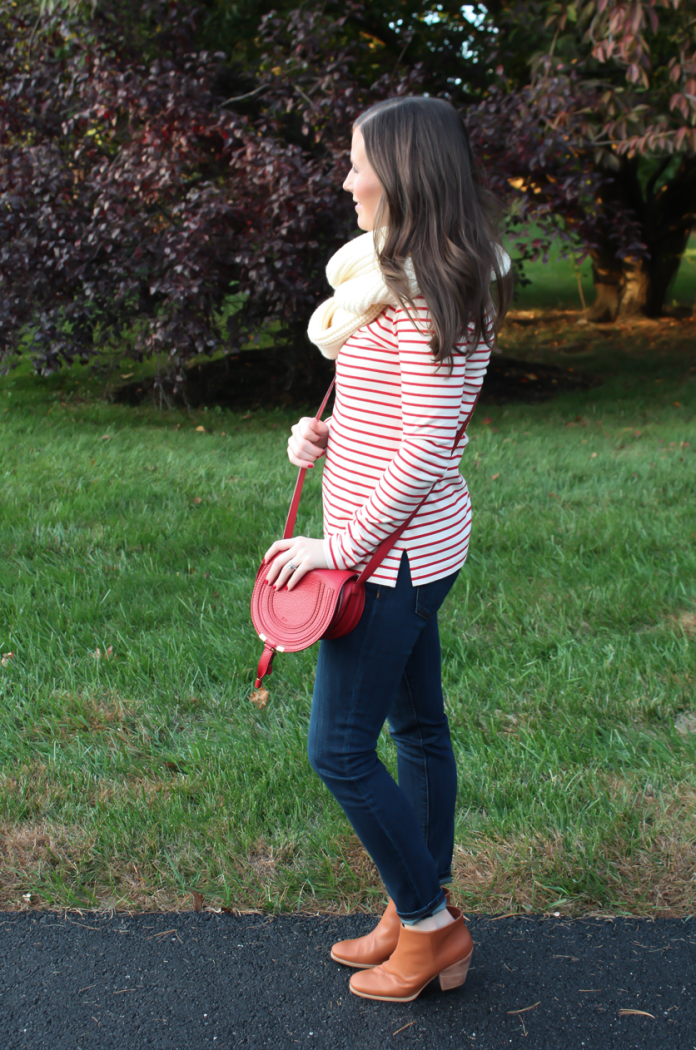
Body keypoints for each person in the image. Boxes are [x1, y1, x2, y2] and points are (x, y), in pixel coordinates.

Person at [263, 96, 511, 1003]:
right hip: (401, 550)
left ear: (403, 173)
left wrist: (338, 548)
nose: (345, 178)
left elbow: (425, 449)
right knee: (418, 730)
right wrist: (322, 437)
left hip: (391, 562)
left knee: (338, 749)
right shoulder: (387, 277)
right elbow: (393, 417)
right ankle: (418, 909)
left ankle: (434, 925)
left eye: (356, 161)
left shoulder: (437, 290)